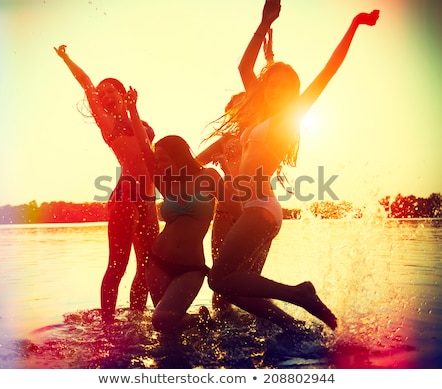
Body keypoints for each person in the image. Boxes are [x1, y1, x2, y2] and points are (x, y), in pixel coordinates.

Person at [208, 0, 380, 332]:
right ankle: (291, 327)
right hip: (254, 210)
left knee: (220, 278)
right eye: (273, 84)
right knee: (231, 283)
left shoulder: (289, 117)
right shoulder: (260, 114)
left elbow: (330, 69)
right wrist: (264, 23)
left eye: (287, 87)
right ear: (266, 87)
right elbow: (245, 67)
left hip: (261, 208)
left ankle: (298, 293)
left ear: (294, 93)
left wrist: (355, 25)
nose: (277, 90)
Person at [54, 45, 159, 324]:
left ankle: (137, 320)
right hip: (126, 195)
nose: (105, 94)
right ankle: (109, 326)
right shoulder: (108, 122)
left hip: (149, 201)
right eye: (102, 94)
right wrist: (67, 58)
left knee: (148, 266)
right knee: (117, 265)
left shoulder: (142, 122)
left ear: (123, 93)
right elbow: (86, 84)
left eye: (110, 90)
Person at [125, 87, 231, 335]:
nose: (159, 165)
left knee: (161, 320)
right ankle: (197, 323)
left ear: (179, 155)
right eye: (157, 160)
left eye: (163, 159)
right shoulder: (166, 182)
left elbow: (234, 207)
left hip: (190, 267)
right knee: (167, 332)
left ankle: (201, 321)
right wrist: (132, 108)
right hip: (158, 262)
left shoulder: (208, 177)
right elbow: (143, 147)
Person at [196, 30, 275, 316]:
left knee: (251, 282)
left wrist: (269, 59)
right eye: (235, 109)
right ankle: (222, 326)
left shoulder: (263, 132)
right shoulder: (225, 141)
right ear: (230, 114)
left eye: (246, 106)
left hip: (257, 215)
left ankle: (262, 326)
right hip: (227, 216)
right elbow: (192, 164)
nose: (241, 111)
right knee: (222, 284)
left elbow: (272, 93)